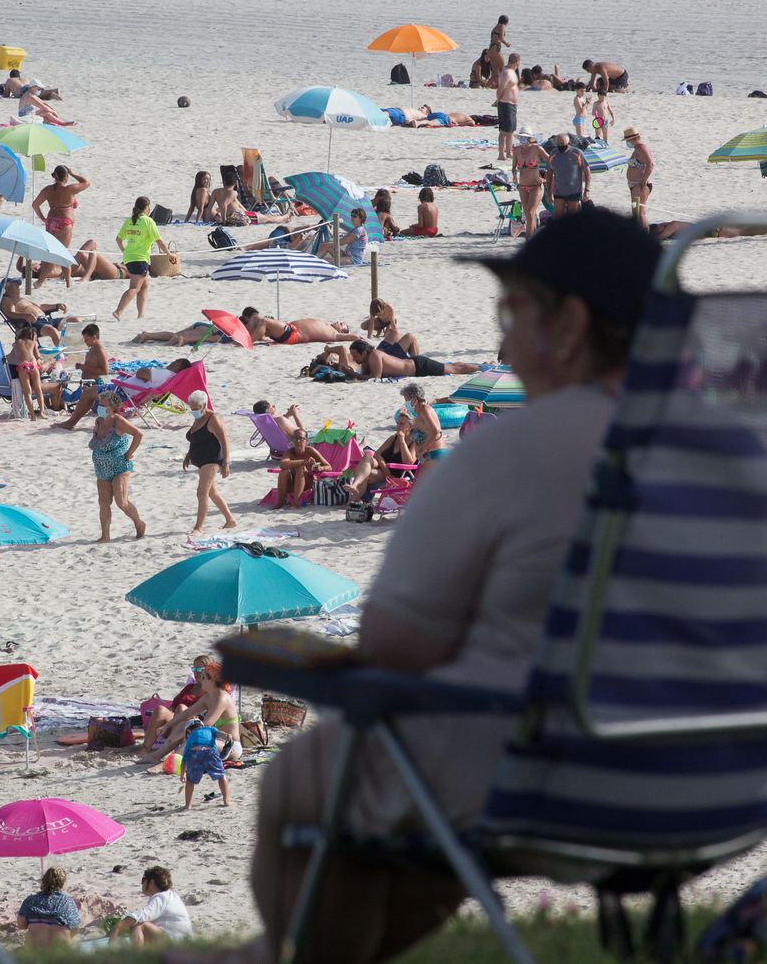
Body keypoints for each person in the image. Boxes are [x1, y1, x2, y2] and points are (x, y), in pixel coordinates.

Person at [234, 209, 663, 964]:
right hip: (742, 766)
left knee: (311, 772)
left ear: (569, 325)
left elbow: (393, 650)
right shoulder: (746, 440)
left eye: (512, 314)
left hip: (572, 779)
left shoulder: (517, 450)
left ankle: (282, 958)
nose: (500, 342)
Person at [89, 390, 147, 541]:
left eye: (103, 405)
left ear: (113, 407)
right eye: (99, 404)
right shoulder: (99, 421)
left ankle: (139, 523)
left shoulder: (118, 421)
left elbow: (138, 434)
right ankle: (105, 536)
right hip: (101, 469)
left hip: (120, 467)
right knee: (103, 502)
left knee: (121, 502)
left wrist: (129, 453)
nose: (99, 408)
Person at [137, 655, 218, 759]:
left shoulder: (211, 693)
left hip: (192, 728)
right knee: (160, 709)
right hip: (175, 722)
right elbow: (172, 707)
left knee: (182, 708)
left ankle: (172, 747)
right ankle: (145, 748)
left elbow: (210, 717)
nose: (196, 672)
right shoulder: (190, 687)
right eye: (194, 669)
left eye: (199, 669)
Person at [183, 390, 236, 534]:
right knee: (212, 492)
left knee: (201, 493)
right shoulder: (199, 417)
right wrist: (188, 455)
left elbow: (225, 441)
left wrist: (226, 464)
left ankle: (198, 528)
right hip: (200, 459)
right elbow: (196, 437)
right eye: (191, 408)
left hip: (212, 459)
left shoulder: (213, 419)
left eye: (196, 408)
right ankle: (230, 520)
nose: (193, 411)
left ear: (204, 405)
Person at [113, 196, 168, 320]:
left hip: (130, 258)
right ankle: (118, 311)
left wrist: (125, 251)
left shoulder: (129, 220)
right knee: (134, 288)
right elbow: (159, 241)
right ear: (147, 208)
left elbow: (118, 239)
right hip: (140, 259)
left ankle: (141, 315)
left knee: (145, 284)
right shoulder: (148, 221)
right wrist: (169, 254)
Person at [344, 411, 418, 503]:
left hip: (397, 475)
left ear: (410, 427)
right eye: (397, 423)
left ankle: (355, 500)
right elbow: (377, 454)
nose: (398, 426)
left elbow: (409, 462)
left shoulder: (414, 442)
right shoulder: (393, 438)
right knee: (367, 457)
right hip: (384, 471)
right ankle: (355, 487)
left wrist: (402, 441)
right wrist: (385, 468)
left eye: (402, 424)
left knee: (365, 474)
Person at [111, 868, 190, 946]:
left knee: (139, 925)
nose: (142, 884)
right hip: (181, 940)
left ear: (151, 882)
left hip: (176, 941)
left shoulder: (161, 897)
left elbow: (143, 915)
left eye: (143, 880)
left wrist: (117, 927)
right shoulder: (170, 896)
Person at [332, 339, 479, 379]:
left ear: (364, 352)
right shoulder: (366, 361)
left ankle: (482, 368)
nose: (355, 359)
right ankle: (481, 365)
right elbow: (365, 375)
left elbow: (374, 378)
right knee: (451, 366)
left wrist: (351, 374)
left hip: (419, 366)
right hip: (415, 368)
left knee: (455, 369)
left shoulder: (375, 355)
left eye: (356, 356)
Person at [16, 867, 80, 947]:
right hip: (61, 953)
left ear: (44, 881)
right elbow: (75, 929)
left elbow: (21, 925)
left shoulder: (30, 901)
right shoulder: (67, 902)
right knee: (74, 939)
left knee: (30, 933)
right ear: (62, 883)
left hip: (36, 952)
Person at [32, 165, 89, 252]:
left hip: (51, 223)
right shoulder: (69, 189)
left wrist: (43, 219)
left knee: (51, 253)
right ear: (66, 177)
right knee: (62, 253)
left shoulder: (47, 190)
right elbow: (86, 182)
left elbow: (35, 205)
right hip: (64, 223)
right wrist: (72, 173)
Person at [180, 717, 231, 810]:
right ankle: (226, 800)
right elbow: (220, 734)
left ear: (188, 731)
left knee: (190, 781)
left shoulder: (190, 738)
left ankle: (188, 805)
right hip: (210, 752)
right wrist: (227, 736)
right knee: (221, 775)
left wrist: (182, 774)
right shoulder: (210, 729)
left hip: (194, 753)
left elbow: (184, 759)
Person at [274, 426, 329, 508]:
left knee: (300, 468)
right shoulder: (290, 452)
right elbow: (283, 464)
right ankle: (280, 503)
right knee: (284, 471)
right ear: (292, 440)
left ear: (306, 441)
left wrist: (320, 468)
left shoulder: (310, 451)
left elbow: (328, 466)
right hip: (293, 484)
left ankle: (296, 503)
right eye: (295, 438)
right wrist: (303, 461)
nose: (298, 441)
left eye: (301, 438)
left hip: (308, 483)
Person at [241, 309, 358, 345]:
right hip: (289, 329)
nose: (338, 321)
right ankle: (242, 336)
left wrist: (358, 338)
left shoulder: (335, 334)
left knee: (263, 321)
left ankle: (246, 342)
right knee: (256, 318)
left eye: (341, 324)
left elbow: (352, 337)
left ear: (343, 330)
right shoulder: (328, 326)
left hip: (292, 333)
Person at [398, 382, 449, 464]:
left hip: (434, 454)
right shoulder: (419, 413)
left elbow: (435, 430)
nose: (405, 404)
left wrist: (423, 449)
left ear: (414, 399)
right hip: (428, 456)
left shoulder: (424, 409)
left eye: (406, 400)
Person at [513, 134, 550, 238]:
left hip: (536, 185)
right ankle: (532, 239)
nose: (523, 140)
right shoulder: (516, 150)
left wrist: (546, 175)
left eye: (525, 137)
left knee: (529, 213)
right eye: (521, 137)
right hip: (522, 186)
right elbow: (513, 167)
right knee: (530, 215)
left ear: (530, 138)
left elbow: (550, 160)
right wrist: (514, 174)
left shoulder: (537, 148)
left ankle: (528, 240)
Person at [9, 324, 46, 420]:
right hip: (33, 365)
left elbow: (12, 357)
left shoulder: (16, 343)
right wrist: (41, 359)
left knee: (27, 392)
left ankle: (33, 416)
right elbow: (37, 355)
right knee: (38, 390)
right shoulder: (33, 342)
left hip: (22, 367)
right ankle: (42, 413)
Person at [548, 134, 590, 217]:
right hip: (558, 191)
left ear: (568, 143)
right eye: (558, 144)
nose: (561, 146)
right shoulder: (553, 154)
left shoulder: (577, 153)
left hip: (574, 191)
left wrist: (587, 190)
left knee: (572, 217)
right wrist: (549, 193)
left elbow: (587, 171)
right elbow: (549, 173)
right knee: (558, 217)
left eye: (563, 144)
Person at [622, 127, 655, 225]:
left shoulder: (641, 147)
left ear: (633, 139)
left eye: (627, 140)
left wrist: (643, 181)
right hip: (634, 184)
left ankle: (645, 235)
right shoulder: (637, 149)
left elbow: (650, 164)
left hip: (639, 184)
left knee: (640, 213)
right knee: (636, 213)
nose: (627, 142)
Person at [495, 53, 520, 161]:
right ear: (517, 61)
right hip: (505, 103)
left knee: (511, 130)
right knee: (504, 131)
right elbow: (501, 88)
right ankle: (501, 153)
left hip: (512, 104)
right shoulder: (506, 73)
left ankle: (509, 152)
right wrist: (498, 100)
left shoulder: (513, 72)